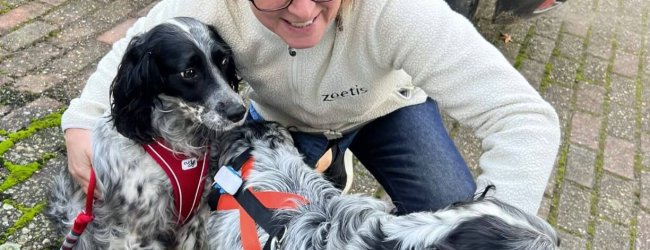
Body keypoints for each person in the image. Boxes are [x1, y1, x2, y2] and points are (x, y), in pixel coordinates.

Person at [62, 0, 560, 215]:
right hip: (278, 124)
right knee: (249, 219)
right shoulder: (208, 5)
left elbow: (523, 117)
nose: (302, 11)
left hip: (388, 112)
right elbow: (135, 45)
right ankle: (322, 154)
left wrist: (501, 223)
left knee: (453, 212)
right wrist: (80, 124)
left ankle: (336, 152)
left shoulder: (404, 11)